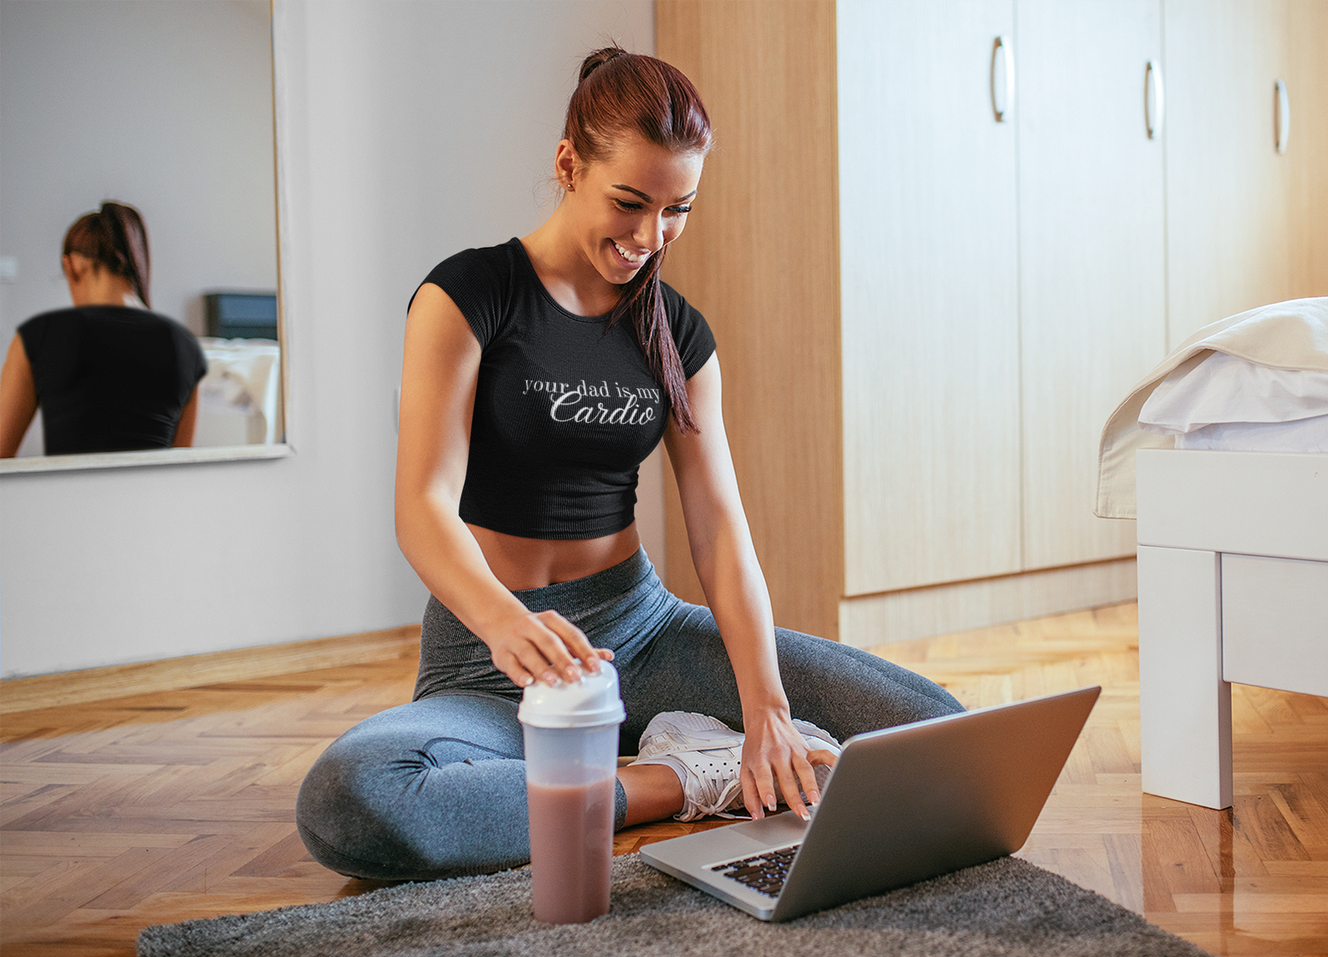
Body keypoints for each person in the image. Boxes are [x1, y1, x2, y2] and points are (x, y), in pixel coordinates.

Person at [295, 47, 963, 881]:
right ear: (568, 164)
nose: (650, 237)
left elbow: (718, 530)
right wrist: (508, 623)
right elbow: (422, 504)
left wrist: (766, 709)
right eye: (629, 202)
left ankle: (621, 767)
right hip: (492, 662)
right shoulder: (467, 295)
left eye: (677, 209)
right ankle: (679, 775)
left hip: (644, 635)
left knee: (936, 729)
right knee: (353, 797)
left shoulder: (679, 333)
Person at [0, 202, 207, 458]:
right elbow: (178, 468)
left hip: (68, 499)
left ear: (72, 265)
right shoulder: (185, 345)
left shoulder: (39, 335)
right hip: (152, 499)